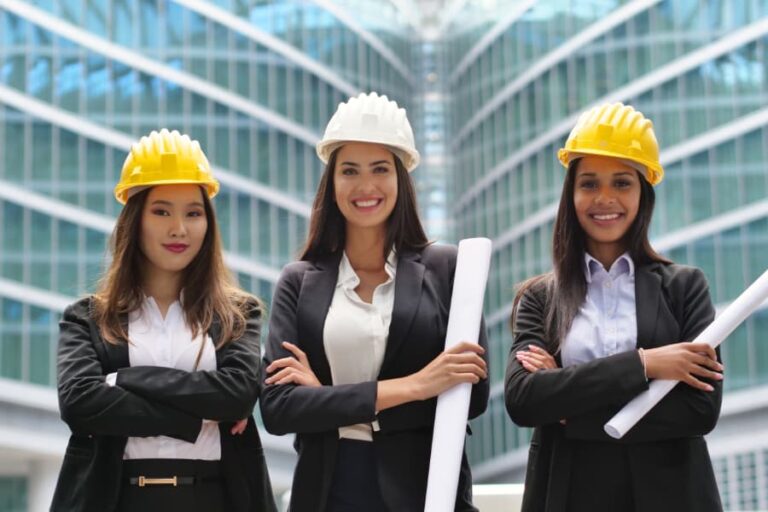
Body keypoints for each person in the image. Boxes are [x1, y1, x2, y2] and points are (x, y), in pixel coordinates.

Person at [260, 92, 490, 512]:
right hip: (328, 492)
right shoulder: (298, 281)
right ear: (331, 183)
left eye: (380, 169)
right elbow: (278, 409)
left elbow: (470, 395)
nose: (365, 186)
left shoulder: (449, 270)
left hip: (425, 491)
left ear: (401, 179)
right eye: (349, 171)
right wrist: (417, 385)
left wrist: (328, 400)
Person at [504, 103, 724, 512]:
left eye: (622, 182)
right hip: (569, 495)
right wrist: (646, 365)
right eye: (589, 184)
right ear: (571, 195)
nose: (605, 198)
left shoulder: (685, 288)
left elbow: (699, 409)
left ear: (643, 193)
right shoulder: (540, 298)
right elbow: (524, 399)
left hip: (672, 498)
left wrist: (572, 405)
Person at [52, 129, 276, 512]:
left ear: (208, 224)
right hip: (115, 499)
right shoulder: (87, 317)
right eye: (161, 211)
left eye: (193, 213)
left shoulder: (238, 315)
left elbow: (237, 392)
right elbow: (80, 402)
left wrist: (124, 379)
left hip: (217, 498)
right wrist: (195, 418)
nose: (179, 228)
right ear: (135, 219)